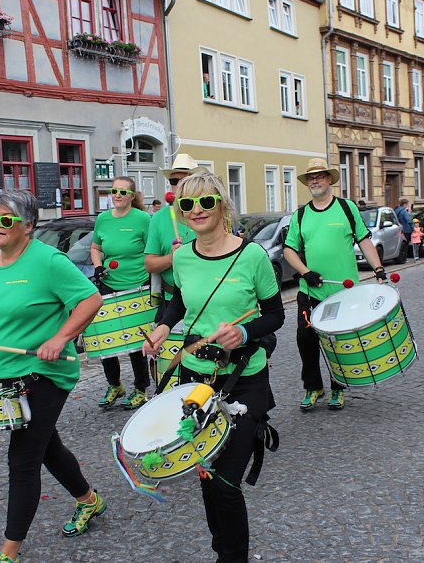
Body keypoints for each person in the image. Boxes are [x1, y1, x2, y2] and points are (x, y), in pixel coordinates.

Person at [0, 190, 104, 563]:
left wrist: (61, 337)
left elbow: (90, 299)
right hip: (3, 373)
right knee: (47, 447)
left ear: (28, 225)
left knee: (23, 458)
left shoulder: (48, 260)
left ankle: (8, 552)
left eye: (6, 219)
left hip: (44, 372)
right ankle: (89, 501)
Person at [143, 173, 284, 563]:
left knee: (224, 481)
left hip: (244, 379)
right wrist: (161, 328)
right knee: (206, 474)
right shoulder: (183, 256)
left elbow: (275, 315)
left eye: (205, 201)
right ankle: (221, 550)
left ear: (222, 204)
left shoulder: (252, 255)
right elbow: (178, 302)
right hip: (195, 379)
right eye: (186, 205)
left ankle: (234, 557)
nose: (196, 211)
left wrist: (243, 330)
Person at [283, 158, 385, 412]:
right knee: (305, 339)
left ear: (329, 180)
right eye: (311, 178)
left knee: (338, 342)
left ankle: (338, 387)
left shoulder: (347, 208)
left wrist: (379, 269)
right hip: (311, 292)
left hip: (343, 293)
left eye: (320, 176)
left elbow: (364, 242)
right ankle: (313, 387)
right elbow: (288, 250)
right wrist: (305, 273)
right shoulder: (301, 215)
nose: (315, 181)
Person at [90, 177, 153, 409]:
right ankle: (115, 384)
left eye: (122, 192)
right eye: (114, 190)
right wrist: (98, 266)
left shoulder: (143, 219)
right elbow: (96, 248)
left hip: (137, 285)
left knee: (136, 341)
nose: (117, 195)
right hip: (109, 283)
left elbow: (152, 250)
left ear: (132, 196)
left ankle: (140, 388)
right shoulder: (103, 219)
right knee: (106, 339)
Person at [144, 154, 207, 321]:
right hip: (171, 301)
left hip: (208, 298)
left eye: (185, 180)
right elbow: (150, 265)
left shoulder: (207, 213)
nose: (178, 185)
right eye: (173, 181)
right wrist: (171, 258)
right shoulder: (158, 218)